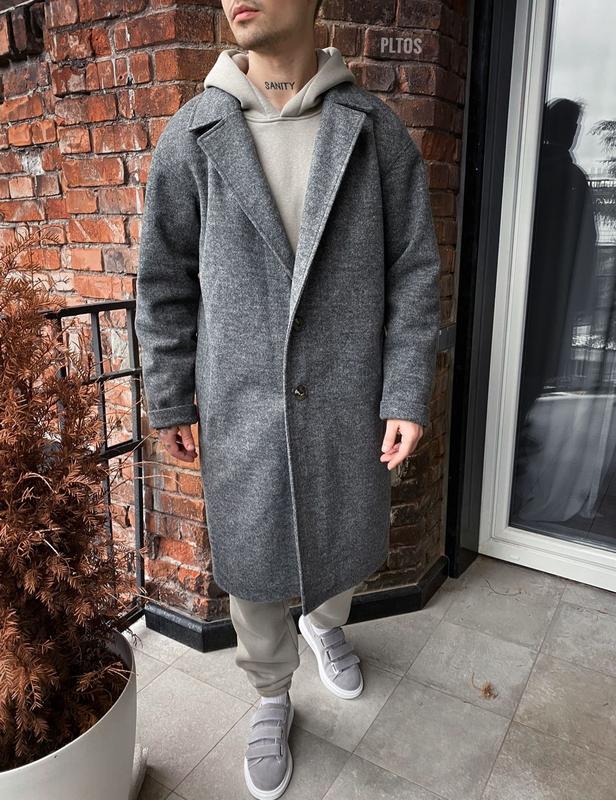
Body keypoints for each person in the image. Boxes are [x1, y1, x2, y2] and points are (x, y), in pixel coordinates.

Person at [135, 1, 441, 797]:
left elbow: (413, 270)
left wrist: (406, 389)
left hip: (346, 396)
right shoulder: (194, 135)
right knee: (251, 556)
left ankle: (325, 624)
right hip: (240, 402)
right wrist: (170, 398)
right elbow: (163, 284)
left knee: (345, 529)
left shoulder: (374, 133)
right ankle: (271, 693)